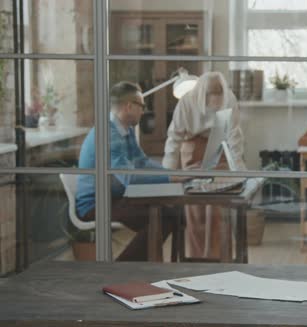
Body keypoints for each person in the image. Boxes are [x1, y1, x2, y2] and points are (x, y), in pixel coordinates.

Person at [76, 81, 179, 261]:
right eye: (142, 106)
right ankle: (122, 269)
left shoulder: (125, 130)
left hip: (114, 197)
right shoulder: (109, 134)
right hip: (96, 204)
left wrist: (174, 175)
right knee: (161, 219)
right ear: (129, 106)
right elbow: (129, 178)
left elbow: (142, 162)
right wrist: (171, 177)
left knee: (171, 214)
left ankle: (150, 268)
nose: (144, 111)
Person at [163, 72, 246, 260]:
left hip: (220, 147)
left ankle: (221, 261)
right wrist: (167, 175)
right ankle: (198, 261)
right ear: (203, 95)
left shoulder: (229, 98)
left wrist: (240, 171)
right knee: (196, 208)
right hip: (192, 148)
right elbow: (174, 139)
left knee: (220, 206)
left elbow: (235, 137)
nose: (216, 101)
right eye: (212, 97)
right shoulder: (186, 102)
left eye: (219, 96)